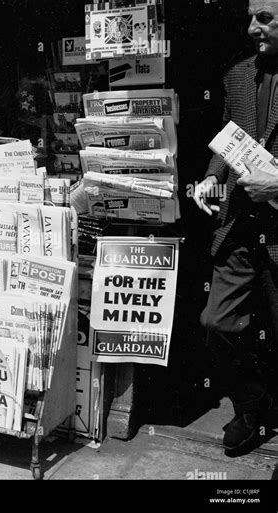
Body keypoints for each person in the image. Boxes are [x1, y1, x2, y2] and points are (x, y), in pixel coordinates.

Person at [194, 0, 278, 455]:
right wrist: (212, 176)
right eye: (251, 16)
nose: (252, 27)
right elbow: (232, 137)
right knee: (216, 323)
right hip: (243, 226)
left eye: (263, 18)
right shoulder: (240, 74)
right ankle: (253, 404)